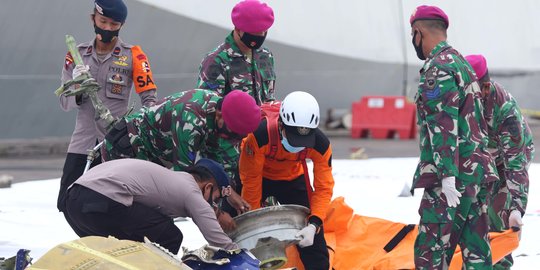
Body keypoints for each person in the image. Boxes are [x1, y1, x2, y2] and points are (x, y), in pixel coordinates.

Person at [409, 6, 499, 269]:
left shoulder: (437, 69)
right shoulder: (462, 64)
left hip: (450, 179)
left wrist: (446, 176)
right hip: (475, 175)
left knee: (430, 252)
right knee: (476, 251)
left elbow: (443, 125)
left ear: (418, 32)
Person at [100, 89, 260, 223]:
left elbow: (220, 164)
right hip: (126, 148)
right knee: (134, 219)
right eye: (231, 134)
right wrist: (217, 214)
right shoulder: (191, 119)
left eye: (239, 137)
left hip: (153, 156)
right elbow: (183, 182)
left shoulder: (228, 124)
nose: (232, 139)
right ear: (219, 114)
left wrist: (227, 191)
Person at [57, 0, 157, 214]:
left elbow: (149, 99)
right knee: (67, 201)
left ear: (121, 25)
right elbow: (65, 103)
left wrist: (142, 130)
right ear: (93, 18)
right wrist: (76, 84)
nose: (108, 28)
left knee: (109, 205)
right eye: (103, 21)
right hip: (81, 143)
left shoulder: (134, 56)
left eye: (114, 24)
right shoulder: (76, 55)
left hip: (114, 145)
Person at [238, 91, 334, 269]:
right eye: (294, 139)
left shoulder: (321, 145)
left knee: (315, 239)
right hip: (258, 175)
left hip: (292, 176)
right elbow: (251, 181)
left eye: (303, 141)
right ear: (281, 125)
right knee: (239, 222)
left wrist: (313, 224)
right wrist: (253, 226)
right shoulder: (259, 136)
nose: (297, 146)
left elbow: (324, 188)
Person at [65, 158, 238, 254]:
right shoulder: (191, 192)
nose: (213, 206)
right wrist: (250, 259)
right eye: (215, 199)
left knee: (120, 249)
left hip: (73, 201)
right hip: (102, 200)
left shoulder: (172, 179)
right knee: (170, 237)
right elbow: (219, 241)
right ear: (207, 187)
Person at [465, 54, 535, 269]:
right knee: (470, 211)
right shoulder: (462, 97)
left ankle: (499, 263)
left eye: (470, 91)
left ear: (484, 88)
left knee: (497, 215)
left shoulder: (505, 110)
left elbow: (516, 163)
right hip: (481, 155)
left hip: (508, 161)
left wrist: (516, 208)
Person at [197, 0, 276, 105]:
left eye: (264, 31)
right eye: (255, 33)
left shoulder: (265, 55)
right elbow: (208, 109)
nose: (260, 36)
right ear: (238, 29)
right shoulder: (216, 61)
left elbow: (269, 97)